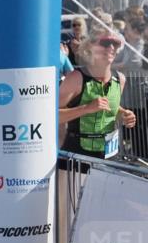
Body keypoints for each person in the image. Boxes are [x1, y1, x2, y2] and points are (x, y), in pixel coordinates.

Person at [59, 30, 137, 160]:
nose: (111, 48)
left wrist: (124, 114)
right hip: (78, 155)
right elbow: (51, 116)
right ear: (90, 47)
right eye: (105, 43)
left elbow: (111, 107)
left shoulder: (120, 79)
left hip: (110, 154)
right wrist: (86, 108)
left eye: (115, 44)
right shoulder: (76, 78)